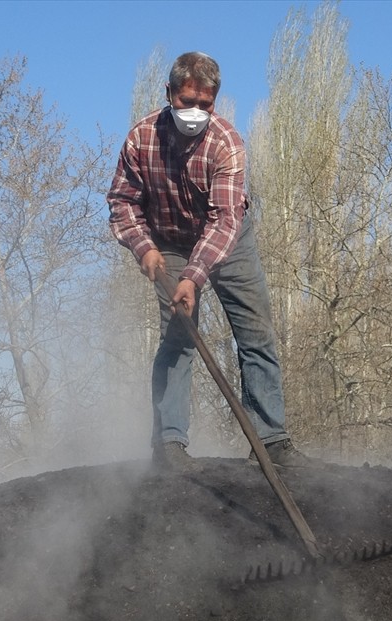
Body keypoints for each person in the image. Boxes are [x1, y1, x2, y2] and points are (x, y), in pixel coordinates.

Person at [107, 51, 322, 472]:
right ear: (169, 94)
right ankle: (169, 443)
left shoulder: (227, 142)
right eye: (186, 101)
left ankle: (271, 439)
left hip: (229, 239)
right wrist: (143, 248)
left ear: (215, 102)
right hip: (166, 241)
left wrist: (194, 276)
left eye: (204, 105)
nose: (195, 112)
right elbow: (122, 202)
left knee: (255, 332)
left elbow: (224, 220)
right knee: (178, 335)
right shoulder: (140, 138)